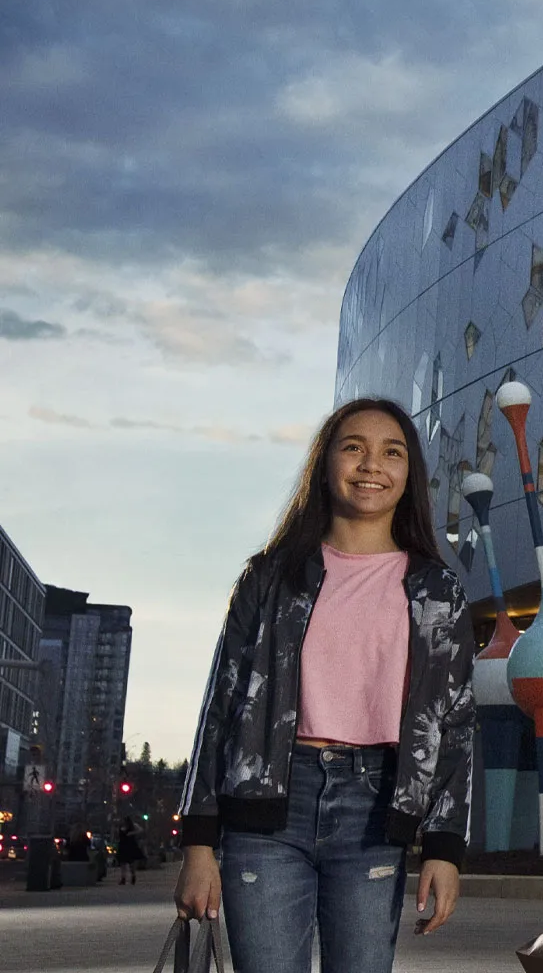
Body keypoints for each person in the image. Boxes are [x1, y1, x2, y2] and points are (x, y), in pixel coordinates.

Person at [173, 398, 476, 973]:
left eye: (392, 452)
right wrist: (197, 844)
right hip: (266, 812)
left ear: (409, 475)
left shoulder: (437, 591)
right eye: (354, 447)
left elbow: (456, 724)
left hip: (374, 807)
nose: (371, 465)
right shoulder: (271, 577)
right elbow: (222, 704)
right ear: (327, 463)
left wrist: (444, 848)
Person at [116, 815, 144, 884]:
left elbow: (141, 830)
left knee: (131, 864)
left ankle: (133, 876)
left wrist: (132, 833)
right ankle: (123, 878)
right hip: (122, 845)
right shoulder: (121, 826)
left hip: (130, 845)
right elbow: (118, 835)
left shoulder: (133, 826)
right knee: (123, 863)